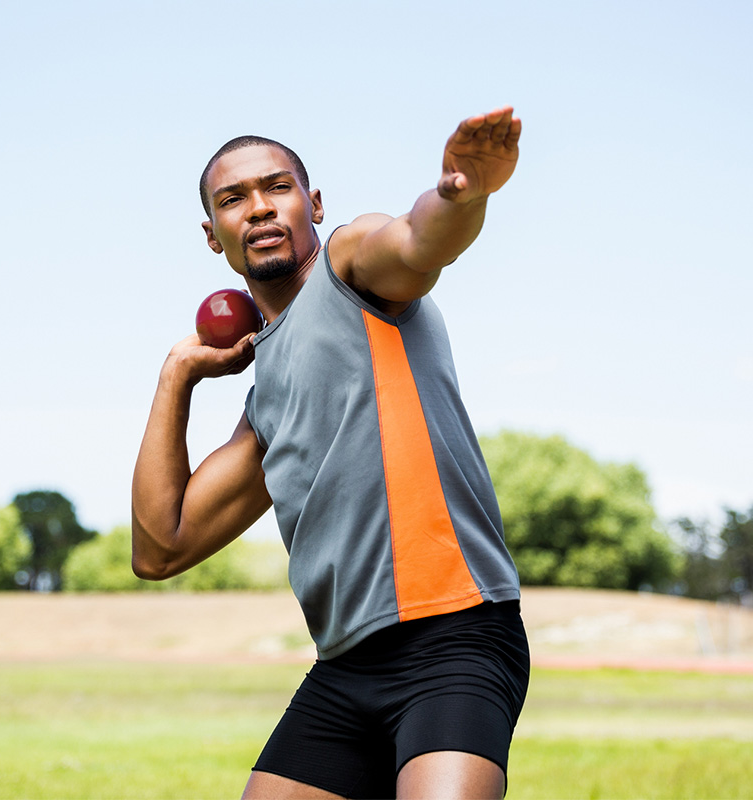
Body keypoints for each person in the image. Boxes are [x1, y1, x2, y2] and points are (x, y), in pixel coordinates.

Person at [132, 106, 529, 800]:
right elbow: (160, 547)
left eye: (276, 187)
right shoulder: (265, 406)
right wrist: (177, 376)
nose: (258, 208)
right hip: (344, 670)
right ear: (212, 235)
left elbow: (414, 243)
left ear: (312, 203)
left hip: (454, 638)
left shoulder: (350, 268)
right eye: (233, 199)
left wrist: (460, 195)